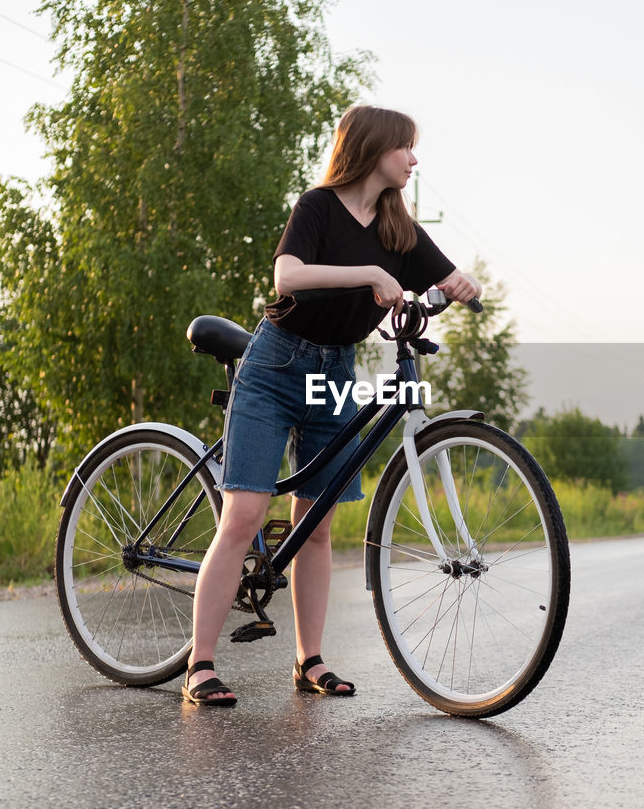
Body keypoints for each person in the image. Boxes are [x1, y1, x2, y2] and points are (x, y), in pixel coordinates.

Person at [182, 105, 482, 706]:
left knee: (314, 527)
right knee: (243, 516)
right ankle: (200, 664)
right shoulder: (317, 207)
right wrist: (368, 272)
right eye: (407, 149)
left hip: (335, 368)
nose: (414, 160)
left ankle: (309, 660)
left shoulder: (401, 229)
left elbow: (442, 274)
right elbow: (287, 277)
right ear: (375, 149)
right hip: (276, 366)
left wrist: (461, 283)